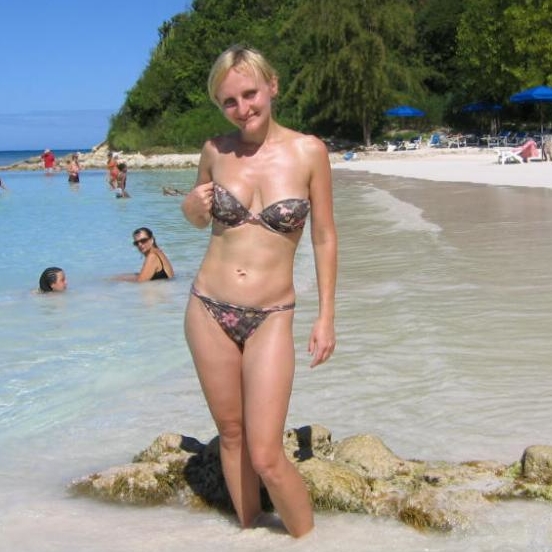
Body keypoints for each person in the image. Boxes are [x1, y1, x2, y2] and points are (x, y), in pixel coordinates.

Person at [181, 45, 337, 538]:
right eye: (229, 101)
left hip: (271, 314)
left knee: (267, 454)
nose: (242, 108)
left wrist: (326, 317)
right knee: (232, 435)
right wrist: (191, 207)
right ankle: (249, 535)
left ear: (272, 86)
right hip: (208, 308)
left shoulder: (308, 152)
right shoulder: (214, 151)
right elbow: (196, 218)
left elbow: (324, 237)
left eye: (250, 94)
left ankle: (308, 542)